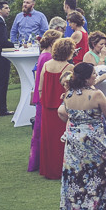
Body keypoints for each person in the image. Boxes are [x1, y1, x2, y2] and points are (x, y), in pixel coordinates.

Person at [57, 62, 106, 210]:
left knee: (75, 176)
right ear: (86, 78)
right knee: (100, 174)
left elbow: (61, 113)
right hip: (93, 141)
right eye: (93, 74)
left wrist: (74, 123)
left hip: (74, 142)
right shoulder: (97, 94)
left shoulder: (68, 95)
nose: (95, 77)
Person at [38, 38, 75, 180]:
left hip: (47, 107)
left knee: (49, 139)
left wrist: (44, 100)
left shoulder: (46, 65)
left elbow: (40, 87)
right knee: (62, 140)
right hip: (62, 107)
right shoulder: (69, 68)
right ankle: (61, 170)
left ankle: (49, 169)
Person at [29, 29, 62, 172]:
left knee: (39, 130)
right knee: (42, 130)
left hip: (40, 95)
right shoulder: (48, 57)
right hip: (45, 97)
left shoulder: (43, 55)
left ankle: (37, 161)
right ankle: (41, 161)